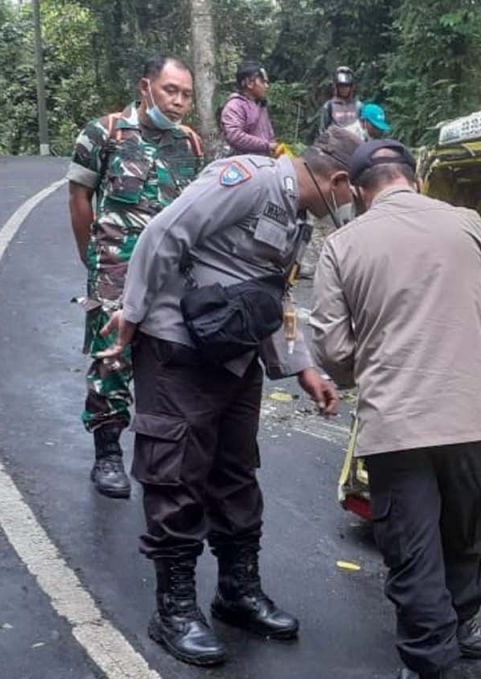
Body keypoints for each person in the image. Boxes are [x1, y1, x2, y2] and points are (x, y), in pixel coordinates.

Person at [96, 126, 361, 666]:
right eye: (352, 193)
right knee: (176, 474)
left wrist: (303, 366)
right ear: (338, 180)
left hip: (236, 355)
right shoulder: (248, 180)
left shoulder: (297, 220)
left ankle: (237, 591)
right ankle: (174, 609)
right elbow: (162, 234)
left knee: (235, 473)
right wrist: (134, 315)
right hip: (179, 348)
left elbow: (276, 295)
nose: (350, 204)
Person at [310, 140, 481, 679]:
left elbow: (332, 349)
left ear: (359, 191)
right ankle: (463, 626)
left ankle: (431, 664)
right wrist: (462, 343)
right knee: (463, 529)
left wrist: (372, 366)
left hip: (395, 424)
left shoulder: (342, 245)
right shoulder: (467, 223)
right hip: (470, 412)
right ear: (415, 180)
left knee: (413, 545)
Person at [66, 55, 204, 499]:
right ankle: (107, 454)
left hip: (170, 274)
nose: (180, 101)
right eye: (171, 91)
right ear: (147, 87)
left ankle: (161, 456)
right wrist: (94, 260)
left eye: (186, 93)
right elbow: (79, 198)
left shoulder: (191, 145)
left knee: (168, 356)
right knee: (112, 358)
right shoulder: (103, 133)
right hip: (115, 268)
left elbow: (196, 212)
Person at [221, 61, 280, 157]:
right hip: (243, 166)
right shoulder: (234, 106)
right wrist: (267, 146)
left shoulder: (261, 105)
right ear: (249, 83)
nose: (266, 86)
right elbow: (235, 137)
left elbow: (270, 135)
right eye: (262, 82)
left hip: (263, 163)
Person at [318, 66, 361, 134]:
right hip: (335, 142)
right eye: (341, 86)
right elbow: (323, 130)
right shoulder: (329, 106)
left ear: (351, 87)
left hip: (355, 142)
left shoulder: (358, 106)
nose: (344, 89)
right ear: (337, 87)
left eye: (347, 86)